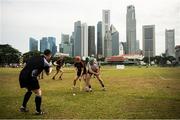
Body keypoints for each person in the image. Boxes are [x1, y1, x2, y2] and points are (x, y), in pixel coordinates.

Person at [19, 49, 52, 115]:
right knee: (38, 92)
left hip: (22, 75)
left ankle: (23, 107)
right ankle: (38, 111)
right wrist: (51, 69)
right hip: (31, 77)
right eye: (50, 56)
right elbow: (48, 74)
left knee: (29, 90)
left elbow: (26, 64)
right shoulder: (45, 62)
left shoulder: (34, 57)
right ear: (49, 55)